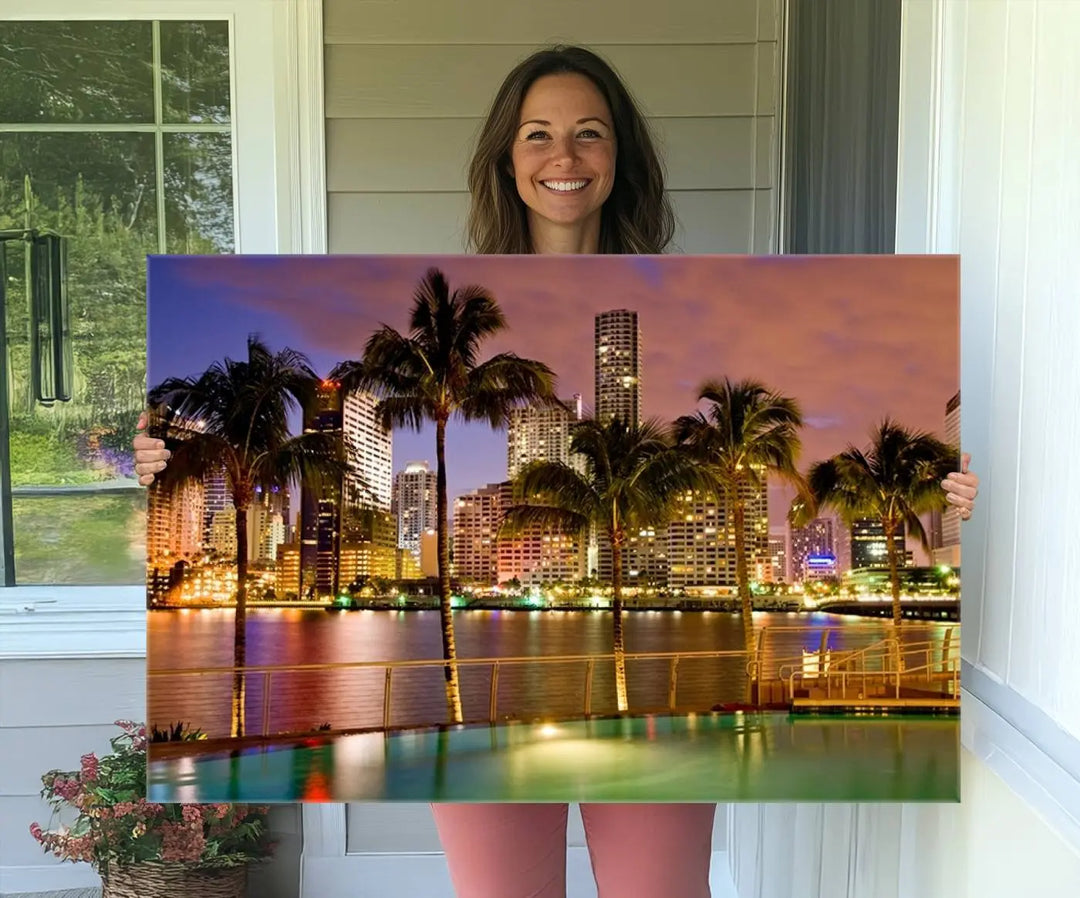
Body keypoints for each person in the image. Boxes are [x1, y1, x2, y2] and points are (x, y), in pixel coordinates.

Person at [132, 45, 981, 898]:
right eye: (538, 134)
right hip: (488, 716)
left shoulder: (691, 296)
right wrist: (167, 464)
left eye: (589, 134)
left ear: (621, 158)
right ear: (508, 157)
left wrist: (943, 498)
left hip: (642, 711)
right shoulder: (448, 316)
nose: (564, 157)